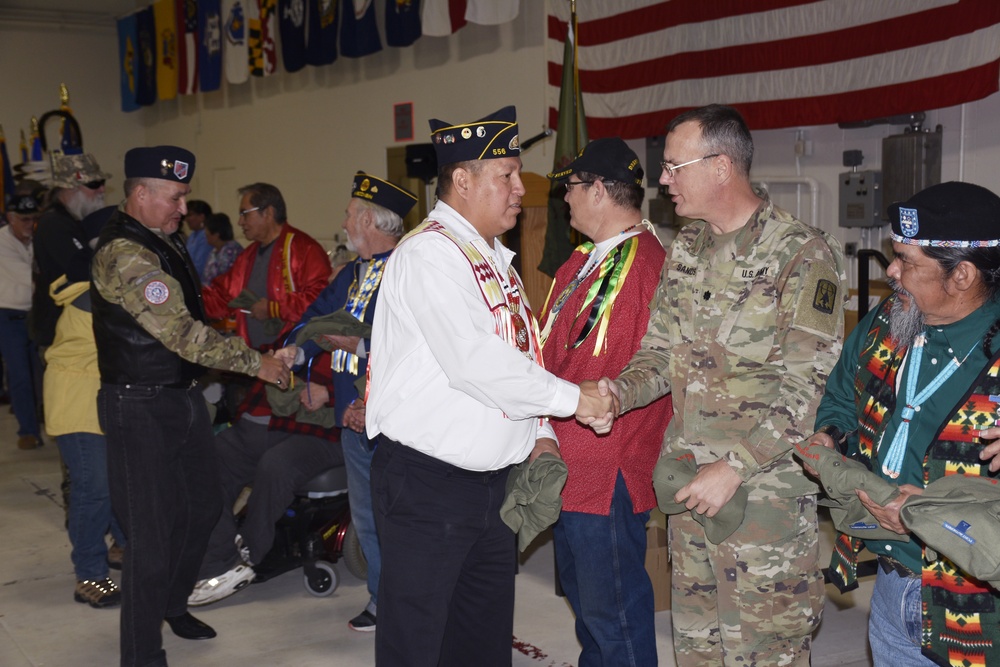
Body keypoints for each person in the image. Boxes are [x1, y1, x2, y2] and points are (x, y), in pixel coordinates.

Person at [590, 104, 846, 666]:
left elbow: (807, 389)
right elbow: (660, 355)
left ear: (722, 167)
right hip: (688, 489)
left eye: (674, 166)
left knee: (764, 652)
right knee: (698, 649)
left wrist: (733, 467)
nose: (662, 180)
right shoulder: (688, 249)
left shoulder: (801, 254)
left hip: (762, 502)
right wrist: (615, 392)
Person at [365, 105, 616, 666]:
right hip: (429, 486)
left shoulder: (492, 259)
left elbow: (519, 356)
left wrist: (542, 431)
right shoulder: (431, 254)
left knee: (479, 643)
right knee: (418, 644)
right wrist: (575, 401)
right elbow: (475, 362)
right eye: (504, 176)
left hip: (492, 487)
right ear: (462, 180)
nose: (518, 190)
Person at [90, 145, 294, 667]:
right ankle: (141, 653)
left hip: (179, 400)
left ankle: (172, 604)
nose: (185, 208)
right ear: (141, 193)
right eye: (176, 197)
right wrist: (258, 363)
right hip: (138, 407)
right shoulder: (125, 252)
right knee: (150, 537)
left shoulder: (162, 240)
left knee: (204, 507)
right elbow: (182, 333)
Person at [809, 181, 1000, 666]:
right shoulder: (891, 318)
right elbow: (840, 396)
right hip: (891, 580)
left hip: (975, 602)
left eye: (908, 263)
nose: (891, 272)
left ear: (962, 276)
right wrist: (831, 436)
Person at [539, 138, 673, 666]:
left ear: (597, 189)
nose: (564, 200)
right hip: (571, 452)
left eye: (570, 188)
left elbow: (604, 371)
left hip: (605, 460)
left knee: (613, 607)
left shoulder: (641, 265)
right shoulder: (582, 260)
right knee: (584, 595)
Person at [292, 170, 418, 632]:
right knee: (366, 517)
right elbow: (314, 320)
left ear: (368, 220)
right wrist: (293, 352)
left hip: (394, 419)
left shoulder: (410, 269)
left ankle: (408, 604)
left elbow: (416, 345)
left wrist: (358, 349)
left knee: (399, 517)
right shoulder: (350, 273)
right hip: (351, 417)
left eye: (349, 214)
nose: (344, 222)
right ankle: (381, 600)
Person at [188, 350, 344, 607]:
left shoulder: (370, 325)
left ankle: (251, 551)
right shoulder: (307, 320)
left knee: (276, 465)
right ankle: (219, 560)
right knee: (209, 459)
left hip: (321, 430)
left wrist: (330, 392)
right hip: (262, 424)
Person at [44, 205, 127, 607]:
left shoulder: (101, 282)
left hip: (97, 395)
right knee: (93, 488)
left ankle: (121, 547)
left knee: (113, 479)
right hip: (78, 401)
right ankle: (90, 574)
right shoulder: (95, 294)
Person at [202, 182, 331, 350]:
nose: (240, 222)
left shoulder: (304, 249)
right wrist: (184, 293)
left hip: (294, 357)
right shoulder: (247, 256)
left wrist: (274, 309)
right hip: (256, 359)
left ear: (268, 213)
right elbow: (221, 297)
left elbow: (323, 300)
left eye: (244, 214)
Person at [32, 152, 110, 348]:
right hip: (62, 333)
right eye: (94, 184)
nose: (102, 189)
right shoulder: (55, 224)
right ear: (70, 188)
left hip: (76, 328)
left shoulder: (71, 222)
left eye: (102, 182)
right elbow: (83, 269)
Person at [0, 189, 43, 450]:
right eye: (24, 220)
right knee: (19, 375)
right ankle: (27, 431)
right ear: (10, 218)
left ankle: (42, 419)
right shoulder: (2, 243)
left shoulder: (35, 239)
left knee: (41, 372)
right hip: (9, 315)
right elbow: (31, 278)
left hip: (36, 314)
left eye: (33, 219)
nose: (30, 225)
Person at [202, 212, 243, 283]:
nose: (205, 237)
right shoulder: (214, 251)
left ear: (216, 235)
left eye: (207, 234)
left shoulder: (231, 251)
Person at [184, 199, 213, 282]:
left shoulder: (206, 236)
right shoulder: (192, 235)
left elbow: (199, 266)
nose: (187, 220)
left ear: (202, 217)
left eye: (190, 215)